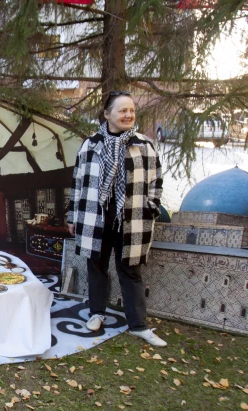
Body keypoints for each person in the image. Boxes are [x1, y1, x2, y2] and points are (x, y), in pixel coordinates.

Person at [66, 91, 167, 347]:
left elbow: (156, 180)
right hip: (96, 217)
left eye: (131, 110)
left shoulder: (143, 145)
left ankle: (139, 325)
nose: (128, 115)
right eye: (122, 111)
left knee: (130, 270)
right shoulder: (90, 144)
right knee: (96, 267)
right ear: (107, 114)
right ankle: (97, 313)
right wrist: (72, 215)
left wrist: (151, 206)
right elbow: (78, 182)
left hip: (131, 219)